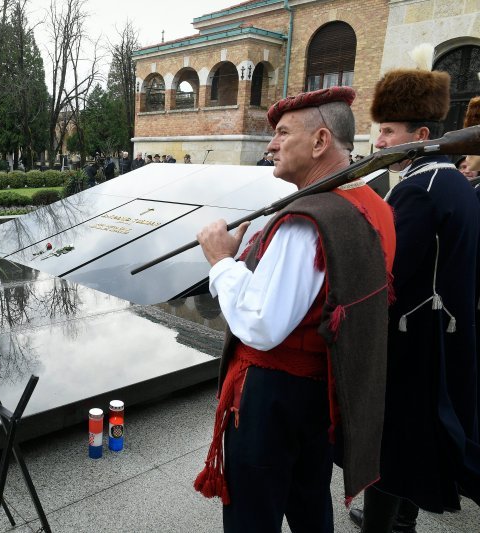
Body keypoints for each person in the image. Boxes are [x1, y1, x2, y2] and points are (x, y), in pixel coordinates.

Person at [194, 86, 396, 533]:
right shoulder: (376, 206)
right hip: (321, 390)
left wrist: (221, 260)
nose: (271, 144)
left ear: (321, 142)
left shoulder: (306, 222)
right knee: (308, 503)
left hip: (273, 398)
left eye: (283, 133)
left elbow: (260, 324)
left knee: (253, 515)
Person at [350, 66, 480, 533]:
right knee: (417, 438)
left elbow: (385, 273)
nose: (379, 141)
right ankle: (401, 514)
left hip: (414, 339)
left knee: (393, 442)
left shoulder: (420, 189)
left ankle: (386, 524)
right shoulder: (450, 181)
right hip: (440, 332)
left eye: (388, 131)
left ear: (421, 134)